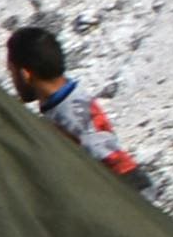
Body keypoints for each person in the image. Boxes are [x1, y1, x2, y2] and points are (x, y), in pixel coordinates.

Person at [11, 18, 149, 189]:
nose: (13, 80)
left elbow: (121, 170)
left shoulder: (72, 116)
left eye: (12, 72)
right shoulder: (68, 101)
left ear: (25, 74)